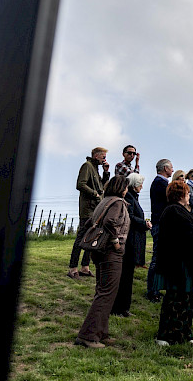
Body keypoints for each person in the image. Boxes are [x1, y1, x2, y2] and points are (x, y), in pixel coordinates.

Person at [154, 180, 193, 346]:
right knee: (175, 299)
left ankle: (184, 334)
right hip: (177, 264)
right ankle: (166, 336)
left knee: (187, 300)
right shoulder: (173, 211)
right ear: (181, 195)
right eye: (187, 194)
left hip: (186, 263)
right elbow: (184, 234)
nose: (189, 197)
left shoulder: (181, 211)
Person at [74, 175, 129, 348]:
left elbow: (91, 221)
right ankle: (88, 336)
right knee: (106, 293)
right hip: (110, 252)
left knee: (104, 291)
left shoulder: (104, 201)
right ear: (121, 188)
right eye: (126, 187)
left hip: (99, 251)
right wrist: (116, 242)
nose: (127, 190)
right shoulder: (118, 202)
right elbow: (110, 221)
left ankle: (101, 332)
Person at [112, 173, 151, 316]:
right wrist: (144, 223)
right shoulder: (130, 197)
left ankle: (123, 308)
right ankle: (121, 308)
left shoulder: (133, 197)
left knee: (128, 276)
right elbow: (130, 217)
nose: (142, 186)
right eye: (140, 183)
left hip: (133, 240)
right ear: (135, 184)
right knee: (125, 277)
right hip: (130, 242)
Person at [69, 147, 110, 279]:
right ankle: (72, 269)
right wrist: (95, 194)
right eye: (103, 157)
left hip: (96, 209)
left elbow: (102, 187)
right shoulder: (87, 166)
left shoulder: (96, 169)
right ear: (96, 156)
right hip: (87, 209)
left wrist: (106, 173)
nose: (105, 159)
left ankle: (85, 268)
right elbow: (80, 184)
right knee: (81, 238)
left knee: (91, 238)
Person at [145, 158, 173, 302]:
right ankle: (152, 290)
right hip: (161, 224)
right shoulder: (160, 184)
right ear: (165, 168)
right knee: (157, 259)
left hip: (160, 223)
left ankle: (155, 288)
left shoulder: (160, 183)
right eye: (171, 168)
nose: (173, 170)